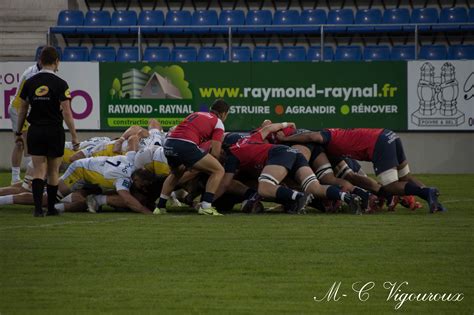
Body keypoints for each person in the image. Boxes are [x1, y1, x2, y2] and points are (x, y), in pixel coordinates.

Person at [277, 128, 446, 213]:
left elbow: (312, 137)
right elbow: (352, 177)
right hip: (389, 135)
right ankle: (430, 197)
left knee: (390, 186)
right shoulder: (335, 145)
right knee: (406, 176)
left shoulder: (326, 136)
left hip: (378, 143)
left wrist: (286, 139)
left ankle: (421, 193)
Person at [15, 46, 78, 216]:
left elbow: (22, 110)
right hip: (54, 130)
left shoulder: (29, 82)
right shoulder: (61, 84)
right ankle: (50, 208)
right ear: (57, 62)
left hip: (35, 130)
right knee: (52, 171)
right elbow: (67, 112)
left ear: (40, 61)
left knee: (38, 170)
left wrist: (18, 132)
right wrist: (74, 136)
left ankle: (37, 209)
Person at [155, 99, 230, 216]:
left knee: (176, 173)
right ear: (224, 113)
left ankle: (160, 207)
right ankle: (206, 206)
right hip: (185, 145)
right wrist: (201, 166)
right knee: (218, 170)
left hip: (169, 144)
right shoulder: (218, 122)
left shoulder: (196, 114)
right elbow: (215, 152)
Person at [8, 62, 42, 185]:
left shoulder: (36, 70)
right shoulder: (32, 74)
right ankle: (28, 178)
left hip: (21, 108)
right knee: (26, 142)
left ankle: (16, 178)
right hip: (19, 109)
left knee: (20, 144)